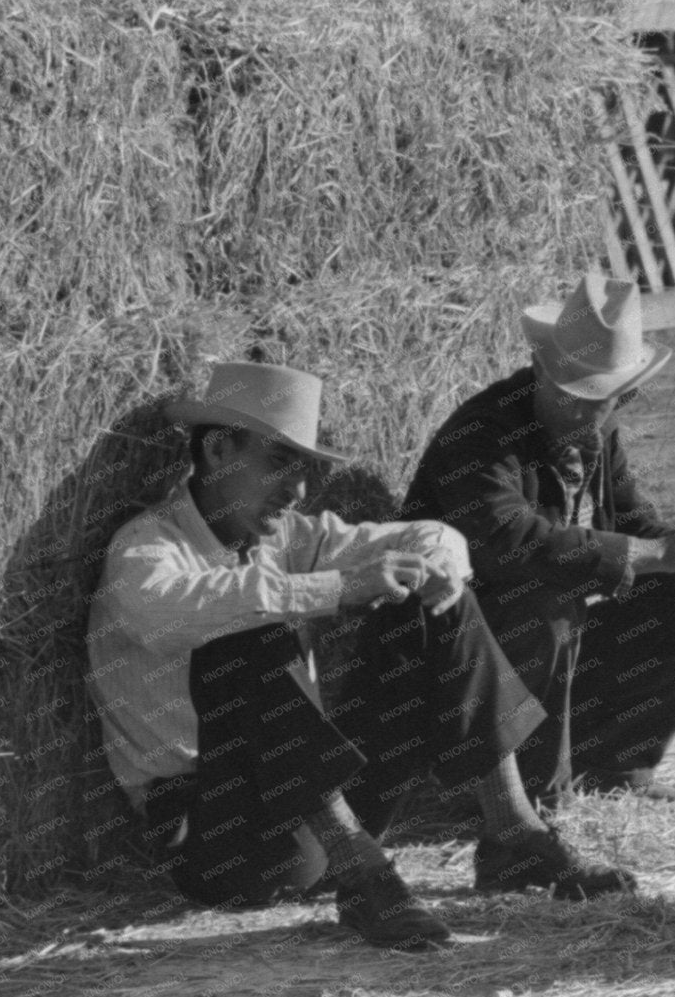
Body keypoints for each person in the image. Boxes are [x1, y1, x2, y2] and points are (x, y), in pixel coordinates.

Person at [86, 357, 635, 952]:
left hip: (318, 794)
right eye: (280, 463)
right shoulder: (146, 546)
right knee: (243, 631)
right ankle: (364, 877)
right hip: (221, 831)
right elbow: (160, 614)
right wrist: (338, 587)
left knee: (429, 592)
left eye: (307, 471)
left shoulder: (289, 536)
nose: (298, 491)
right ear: (218, 450)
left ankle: (514, 833)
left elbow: (432, 535)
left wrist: (437, 572)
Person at [402, 272, 675, 807]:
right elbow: (511, 543)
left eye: (595, 400)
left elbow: (634, 526)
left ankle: (613, 762)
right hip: (460, 656)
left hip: (556, 650)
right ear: (538, 368)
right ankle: (523, 796)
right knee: (548, 603)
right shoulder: (480, 436)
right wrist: (659, 552)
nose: (576, 409)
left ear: (625, 396)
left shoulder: (598, 430)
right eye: (565, 393)